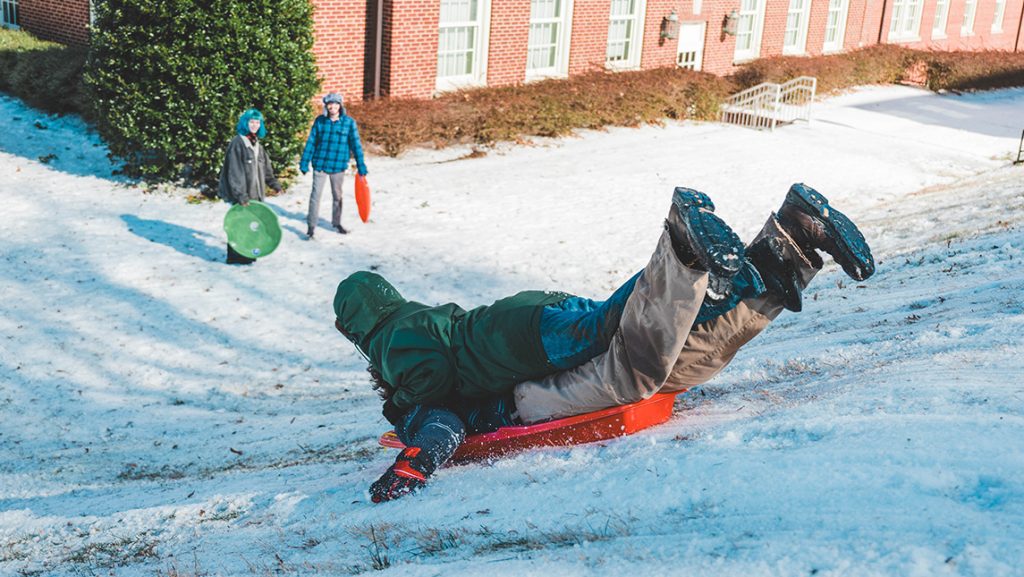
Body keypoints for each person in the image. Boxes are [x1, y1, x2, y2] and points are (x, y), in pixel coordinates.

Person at [334, 184, 875, 502]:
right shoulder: (423, 333)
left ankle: (681, 251)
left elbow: (442, 424)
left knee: (630, 364)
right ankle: (794, 241)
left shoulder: (406, 366)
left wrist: (412, 465)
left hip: (528, 386)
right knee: (685, 363)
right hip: (530, 330)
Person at [217, 108, 283, 265]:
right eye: (252, 122)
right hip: (242, 195)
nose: (255, 125)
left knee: (252, 225)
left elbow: (266, 169)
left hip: (256, 195)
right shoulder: (238, 143)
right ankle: (234, 257)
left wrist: (274, 184)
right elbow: (234, 172)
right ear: (245, 123)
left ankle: (247, 254)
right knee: (239, 225)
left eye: (257, 122)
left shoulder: (257, 145)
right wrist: (241, 195)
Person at [299, 92, 368, 239]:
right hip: (320, 164)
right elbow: (311, 142)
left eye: (335, 103)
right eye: (330, 104)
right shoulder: (320, 121)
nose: (332, 107)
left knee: (337, 195)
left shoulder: (349, 123)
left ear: (340, 105)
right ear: (326, 106)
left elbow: (356, 145)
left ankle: (336, 223)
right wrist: (304, 161)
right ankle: (311, 227)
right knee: (315, 195)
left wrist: (361, 165)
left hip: (338, 165)